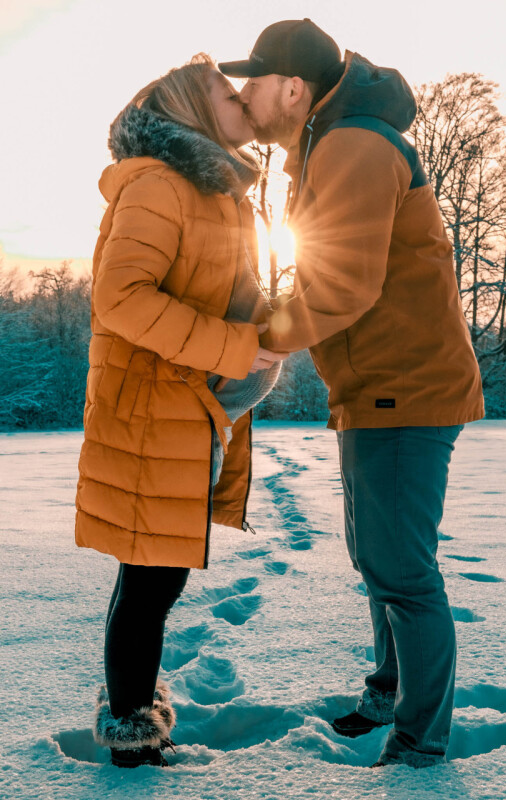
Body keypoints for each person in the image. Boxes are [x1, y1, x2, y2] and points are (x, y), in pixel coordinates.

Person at [220, 19, 485, 768]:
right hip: (378, 388)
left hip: (406, 389)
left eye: (255, 81)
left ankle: (418, 743)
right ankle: (386, 696)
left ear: (294, 87)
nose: (245, 96)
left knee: (399, 570)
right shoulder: (330, 142)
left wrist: (255, 342)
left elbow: (343, 286)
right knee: (380, 561)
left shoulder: (353, 145)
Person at [75, 55, 285, 768]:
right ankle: (132, 740)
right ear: (194, 111)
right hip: (150, 412)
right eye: (228, 95)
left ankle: (132, 718)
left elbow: (215, 290)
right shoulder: (159, 185)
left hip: (183, 409)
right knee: (152, 577)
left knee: (151, 575)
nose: (242, 103)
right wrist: (231, 347)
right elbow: (120, 298)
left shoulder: (209, 189)